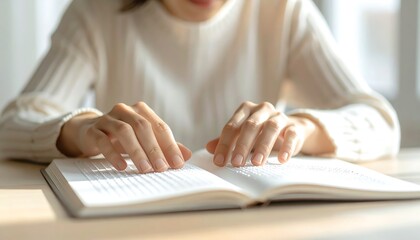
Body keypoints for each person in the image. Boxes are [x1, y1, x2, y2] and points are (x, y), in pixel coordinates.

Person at [0, 0, 400, 174]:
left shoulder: (284, 11)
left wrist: (301, 130)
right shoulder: (96, 13)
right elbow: (12, 125)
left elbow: (381, 120)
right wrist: (80, 129)